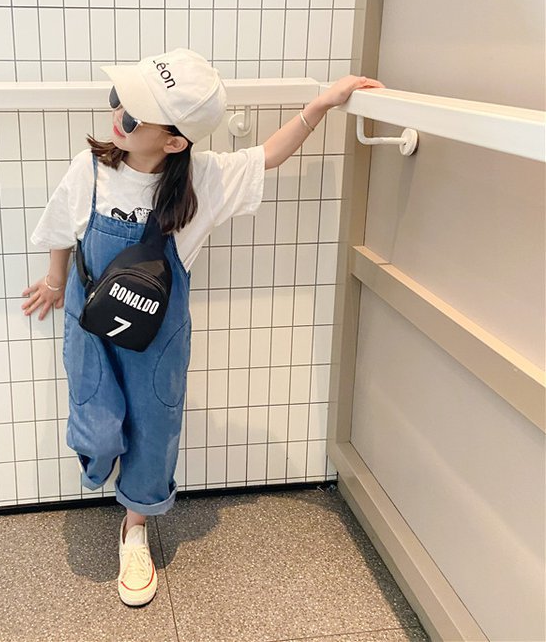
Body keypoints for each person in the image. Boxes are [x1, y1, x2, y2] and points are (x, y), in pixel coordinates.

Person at [21, 47, 384, 606]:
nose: (118, 115)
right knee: (97, 428)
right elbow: (60, 230)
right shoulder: (89, 167)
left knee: (154, 428)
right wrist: (53, 280)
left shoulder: (203, 180)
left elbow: (267, 156)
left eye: (134, 114)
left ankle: (135, 528)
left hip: (158, 335)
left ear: (174, 142)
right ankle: (105, 463)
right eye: (119, 99)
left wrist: (323, 104)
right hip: (90, 321)